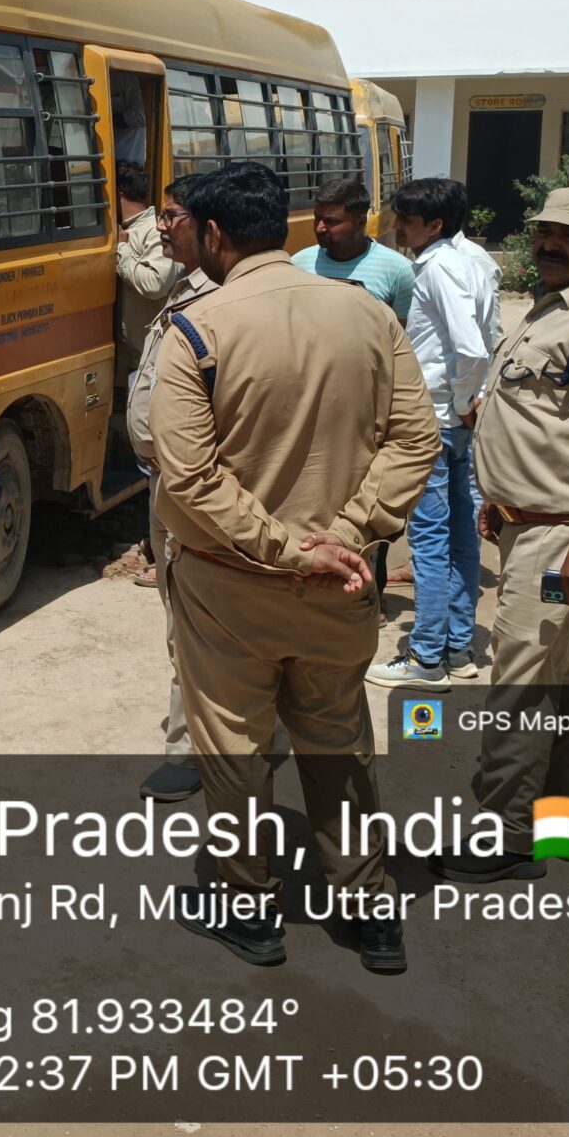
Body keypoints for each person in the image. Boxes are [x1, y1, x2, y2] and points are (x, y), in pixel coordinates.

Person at [152, 161, 439, 974]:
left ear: (214, 234)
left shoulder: (194, 330)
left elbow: (190, 477)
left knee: (234, 747)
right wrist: (344, 535)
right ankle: (370, 910)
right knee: (337, 740)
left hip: (227, 583)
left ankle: (252, 912)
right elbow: (417, 439)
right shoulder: (368, 314)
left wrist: (287, 548)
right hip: (343, 582)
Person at [431, 186, 569, 885]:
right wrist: (501, 503)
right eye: (543, 232)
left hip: (566, 532)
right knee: (554, 672)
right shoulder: (553, 308)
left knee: (520, 686)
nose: (550, 244)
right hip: (533, 523)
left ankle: (507, 837)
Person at [368, 177, 503, 690]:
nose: (398, 229)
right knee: (461, 536)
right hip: (454, 420)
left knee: (429, 540)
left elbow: (471, 348)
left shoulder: (440, 268)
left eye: (406, 221)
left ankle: (426, 656)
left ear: (435, 225)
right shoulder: (472, 260)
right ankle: (457, 647)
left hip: (438, 421)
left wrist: (465, 402)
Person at [125, 174, 217, 803]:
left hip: (193, 487)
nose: (159, 226)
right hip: (163, 480)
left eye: (172, 216)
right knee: (179, 615)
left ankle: (189, 751)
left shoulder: (220, 297)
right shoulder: (186, 284)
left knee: (193, 621)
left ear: (210, 228)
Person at [292, 176, 416, 322]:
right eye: (317, 218)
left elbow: (402, 331)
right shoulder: (297, 264)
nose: (319, 228)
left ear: (360, 222)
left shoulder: (399, 271)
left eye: (330, 221)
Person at [114, 159, 182, 376]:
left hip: (146, 355)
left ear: (118, 194)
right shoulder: (123, 229)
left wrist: (122, 249)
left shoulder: (153, 230)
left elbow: (155, 284)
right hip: (127, 353)